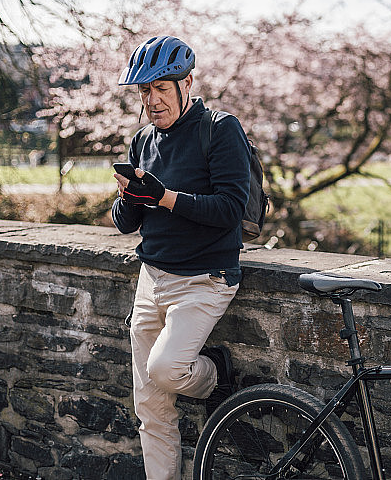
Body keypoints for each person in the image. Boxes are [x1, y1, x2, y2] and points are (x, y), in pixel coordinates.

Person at [111, 36, 251, 480]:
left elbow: (229, 208)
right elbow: (125, 224)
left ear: (186, 83)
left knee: (167, 370)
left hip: (204, 279)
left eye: (161, 89)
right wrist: (131, 197)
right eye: (144, 92)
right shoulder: (143, 141)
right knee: (149, 405)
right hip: (152, 277)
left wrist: (165, 196)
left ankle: (214, 376)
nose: (152, 102)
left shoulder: (220, 128)